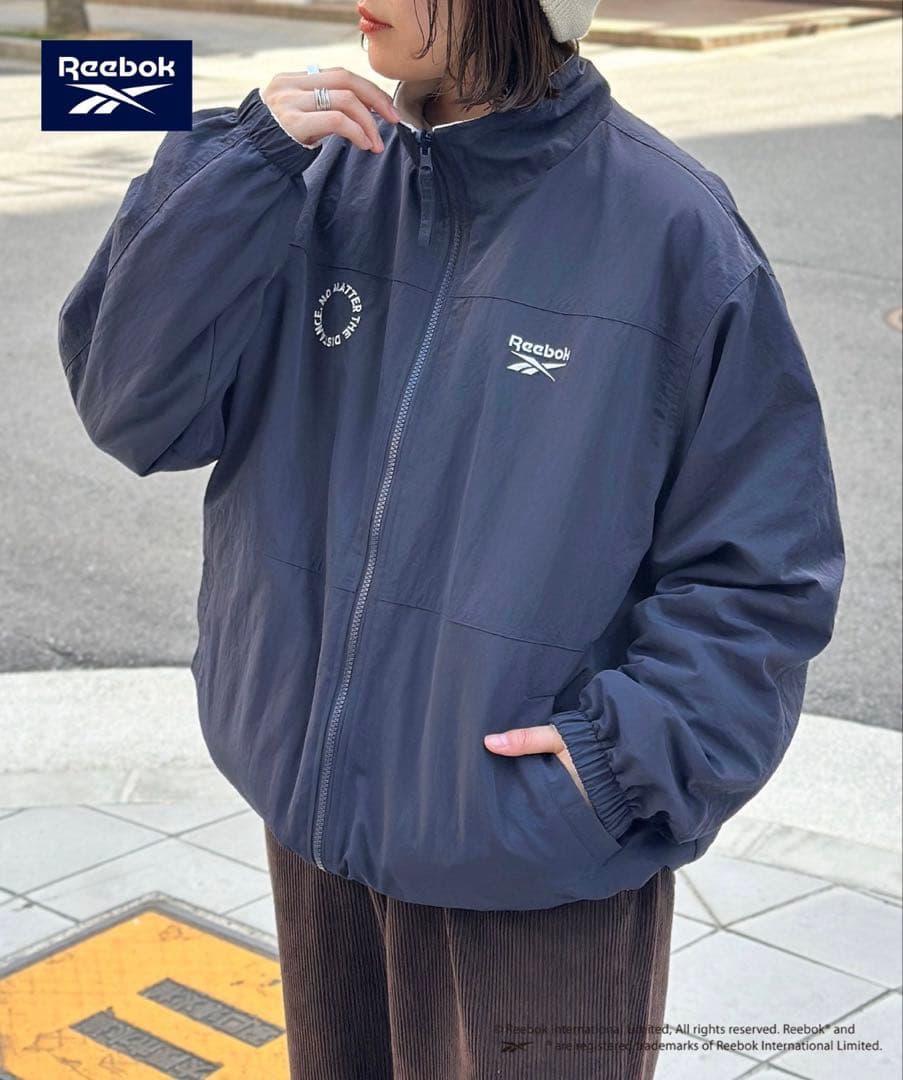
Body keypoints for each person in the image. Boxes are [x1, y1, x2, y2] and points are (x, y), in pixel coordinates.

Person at [57, 0, 846, 1076]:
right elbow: (135, 410)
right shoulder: (313, 175)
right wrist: (235, 167)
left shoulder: (672, 230)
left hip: (528, 867)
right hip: (314, 825)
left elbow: (761, 570)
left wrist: (613, 770)